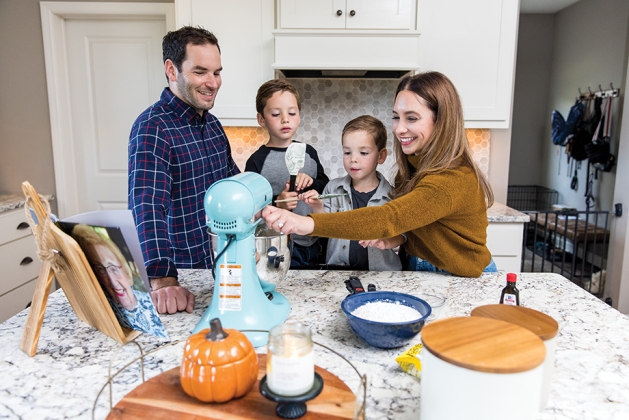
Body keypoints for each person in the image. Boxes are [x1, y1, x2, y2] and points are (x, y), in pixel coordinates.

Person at [262, 71, 497, 277]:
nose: (399, 128)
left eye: (411, 118)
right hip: (419, 269)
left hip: (458, 278)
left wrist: (305, 223)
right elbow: (418, 227)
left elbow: (388, 218)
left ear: (442, 120)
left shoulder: (452, 179)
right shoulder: (414, 169)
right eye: (396, 116)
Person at [128, 26, 240, 314]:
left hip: (219, 270)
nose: (213, 82)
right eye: (201, 71)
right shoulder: (153, 127)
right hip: (182, 280)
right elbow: (147, 206)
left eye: (217, 72)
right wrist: (164, 281)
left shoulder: (213, 125)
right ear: (171, 69)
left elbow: (232, 185)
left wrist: (269, 202)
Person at [245, 79, 329, 267]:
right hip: (275, 244)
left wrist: (312, 183)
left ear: (299, 116)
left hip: (312, 240)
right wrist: (278, 201)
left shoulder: (309, 152)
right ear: (261, 119)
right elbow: (250, 207)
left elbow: (325, 185)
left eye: (292, 113)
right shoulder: (257, 161)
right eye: (276, 114)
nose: (285, 119)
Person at [301, 115, 402, 271]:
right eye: (347, 152)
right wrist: (317, 206)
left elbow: (403, 236)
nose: (353, 159)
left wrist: (385, 240)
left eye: (363, 153)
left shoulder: (393, 196)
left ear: (380, 156)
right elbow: (323, 230)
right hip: (337, 273)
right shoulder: (332, 188)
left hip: (382, 275)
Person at [71, 224, 168, 338]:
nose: (113, 281)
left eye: (113, 268)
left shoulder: (150, 304)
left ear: (126, 271)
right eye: (100, 269)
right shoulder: (101, 307)